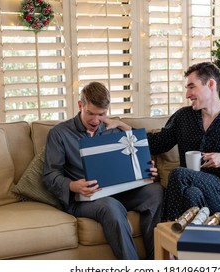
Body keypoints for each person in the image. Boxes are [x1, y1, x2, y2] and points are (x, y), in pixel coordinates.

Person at [43, 81, 163, 260]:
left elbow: (134, 162)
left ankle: (157, 261)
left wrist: (148, 171)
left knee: (155, 192)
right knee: (110, 207)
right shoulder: (59, 134)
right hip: (84, 199)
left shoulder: (112, 130)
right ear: (80, 105)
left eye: (101, 114)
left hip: (118, 192)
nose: (95, 120)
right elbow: (49, 175)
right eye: (90, 113)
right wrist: (74, 185)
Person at [147, 61, 220, 221]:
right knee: (191, 194)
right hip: (192, 188)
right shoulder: (183, 117)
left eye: (192, 87)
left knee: (179, 174)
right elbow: (159, 143)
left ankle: (167, 232)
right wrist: (125, 129)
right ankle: (199, 240)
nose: (187, 94)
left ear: (211, 84)